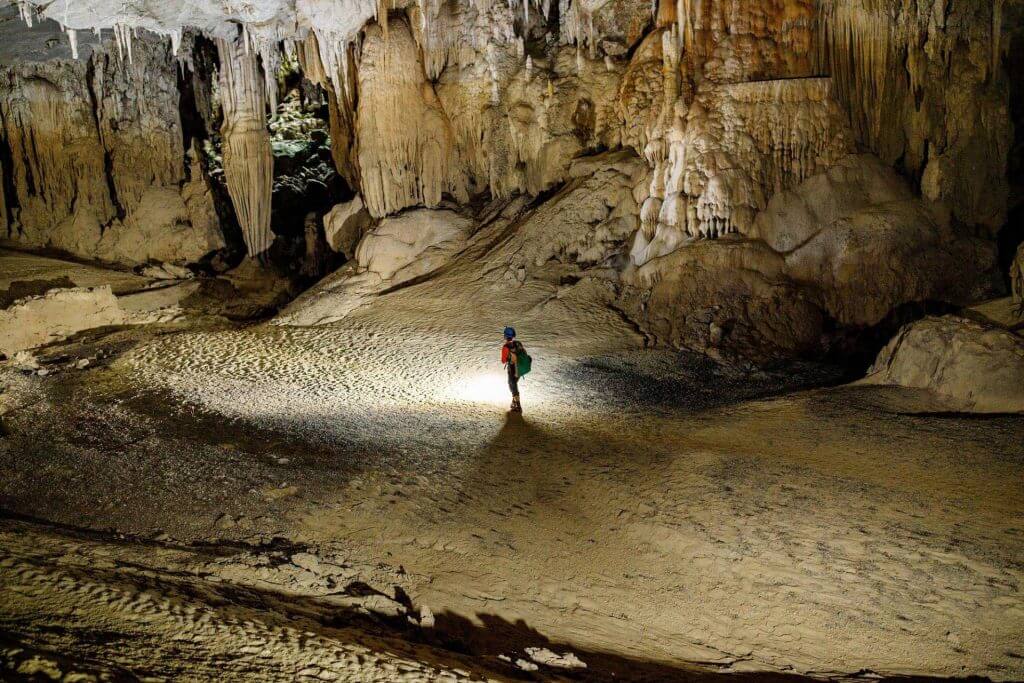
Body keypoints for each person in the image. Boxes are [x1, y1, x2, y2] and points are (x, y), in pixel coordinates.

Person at [501, 326, 523, 412]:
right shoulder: (518, 343)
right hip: (520, 368)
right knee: (514, 385)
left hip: (512, 369)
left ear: (505, 336)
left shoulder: (506, 347)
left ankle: (518, 406)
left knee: (512, 386)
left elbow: (503, 361)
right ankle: (514, 403)